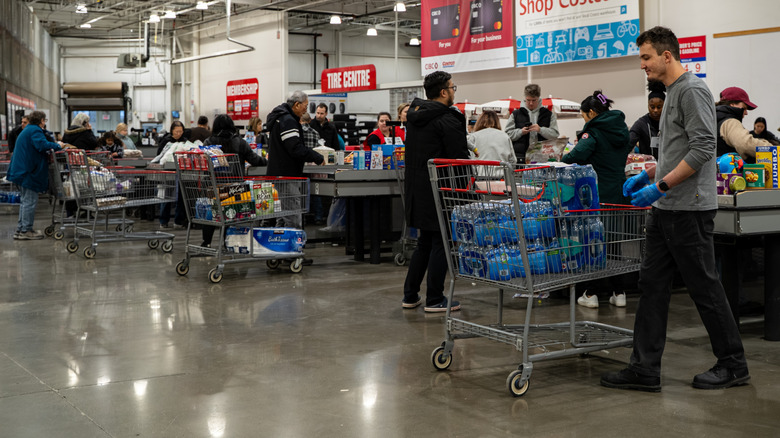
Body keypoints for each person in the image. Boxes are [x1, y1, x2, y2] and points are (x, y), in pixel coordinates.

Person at [601, 26, 749, 392]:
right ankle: (644, 368)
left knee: (704, 287)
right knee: (651, 285)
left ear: (667, 56)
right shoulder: (669, 94)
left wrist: (660, 186)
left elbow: (702, 150)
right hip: (667, 208)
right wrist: (648, 174)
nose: (642, 65)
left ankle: (733, 364)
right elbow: (675, 154)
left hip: (690, 209)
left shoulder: (693, 90)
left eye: (646, 57)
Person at [402, 71, 470, 313]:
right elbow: (459, 158)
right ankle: (434, 298)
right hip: (441, 189)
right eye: (453, 88)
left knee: (425, 242)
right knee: (442, 241)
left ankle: (410, 295)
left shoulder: (415, 116)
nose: (454, 91)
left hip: (417, 189)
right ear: (443, 92)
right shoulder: (448, 120)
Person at [562, 90, 633, 308]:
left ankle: (591, 293)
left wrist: (562, 157)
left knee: (595, 244)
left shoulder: (593, 133)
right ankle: (619, 293)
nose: (584, 120)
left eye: (584, 116)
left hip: (596, 195)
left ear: (592, 113)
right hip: (618, 193)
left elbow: (573, 157)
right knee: (613, 243)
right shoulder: (622, 131)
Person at [200, 114, 267, 247]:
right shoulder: (240, 142)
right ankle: (227, 242)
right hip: (234, 186)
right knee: (230, 213)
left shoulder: (208, 142)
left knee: (211, 212)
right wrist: (267, 161)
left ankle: (206, 242)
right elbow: (254, 159)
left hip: (213, 185)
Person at [265, 91, 325, 238]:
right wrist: (317, 157)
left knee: (283, 216)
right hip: (287, 174)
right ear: (297, 105)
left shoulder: (280, 118)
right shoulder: (288, 121)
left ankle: (280, 250)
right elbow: (295, 148)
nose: (306, 109)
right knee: (293, 216)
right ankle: (293, 254)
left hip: (279, 173)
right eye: (305, 105)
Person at [7, 111, 71, 240]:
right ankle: (26, 230)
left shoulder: (28, 130)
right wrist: (58, 145)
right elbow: (41, 145)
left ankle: (21, 229)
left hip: (22, 170)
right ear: (41, 120)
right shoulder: (35, 131)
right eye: (44, 120)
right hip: (28, 171)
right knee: (30, 201)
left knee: (25, 201)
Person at [505, 84, 560, 162]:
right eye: (528, 100)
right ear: (525, 99)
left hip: (543, 159)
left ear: (539, 98)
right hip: (520, 160)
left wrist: (541, 130)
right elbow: (507, 135)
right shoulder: (515, 114)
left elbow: (555, 135)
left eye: (534, 100)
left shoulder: (549, 114)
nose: (531, 103)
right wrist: (520, 132)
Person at [715, 87, 772, 162]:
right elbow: (745, 144)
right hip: (731, 172)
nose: (746, 113)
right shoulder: (730, 122)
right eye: (744, 108)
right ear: (732, 104)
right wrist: (771, 149)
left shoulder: (715, 118)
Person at [157, 121, 189, 228]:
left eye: (181, 131)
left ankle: (178, 221)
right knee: (166, 196)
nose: (179, 133)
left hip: (181, 173)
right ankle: (163, 221)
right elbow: (159, 155)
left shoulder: (185, 142)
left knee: (180, 196)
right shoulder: (166, 141)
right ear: (172, 131)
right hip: (167, 172)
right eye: (176, 131)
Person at [629, 81, 666, 158]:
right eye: (652, 107)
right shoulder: (641, 123)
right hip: (648, 166)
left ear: (665, 105)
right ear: (648, 105)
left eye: (659, 107)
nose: (655, 110)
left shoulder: (671, 121)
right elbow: (628, 143)